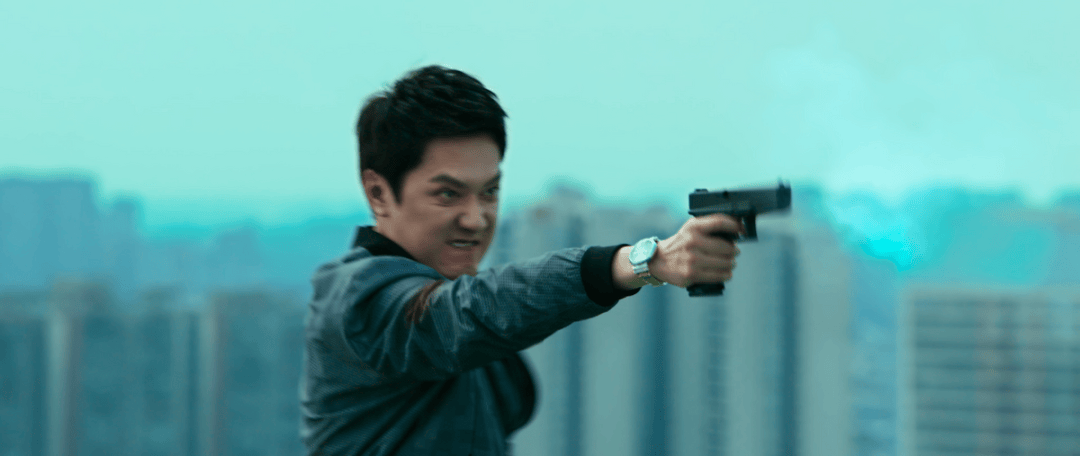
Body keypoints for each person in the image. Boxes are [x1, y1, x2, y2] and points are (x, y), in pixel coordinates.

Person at [299, 65, 743, 455]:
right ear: (379, 193)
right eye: (448, 194)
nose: (476, 218)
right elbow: (458, 314)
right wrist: (640, 263)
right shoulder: (356, 302)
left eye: (490, 191)